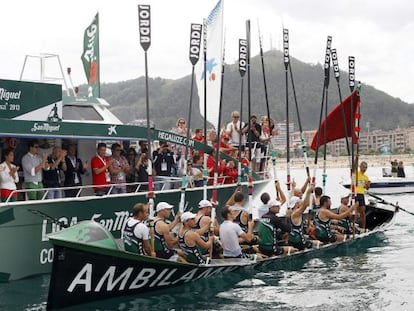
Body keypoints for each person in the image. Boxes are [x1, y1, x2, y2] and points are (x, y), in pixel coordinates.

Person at [288, 184, 316, 250]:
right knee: (319, 243)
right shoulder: (296, 213)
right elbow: (305, 205)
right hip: (298, 241)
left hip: (293, 239)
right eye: (300, 201)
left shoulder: (290, 211)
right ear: (296, 204)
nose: (301, 202)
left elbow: (292, 196)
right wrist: (308, 191)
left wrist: (293, 187)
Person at [356, 161, 370, 230]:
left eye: (366, 168)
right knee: (355, 212)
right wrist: (356, 158)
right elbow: (354, 165)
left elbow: (367, 188)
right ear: (360, 167)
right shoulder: (356, 173)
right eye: (363, 167)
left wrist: (368, 184)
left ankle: (363, 228)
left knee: (363, 212)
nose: (365, 169)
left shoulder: (366, 177)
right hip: (355, 194)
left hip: (361, 194)